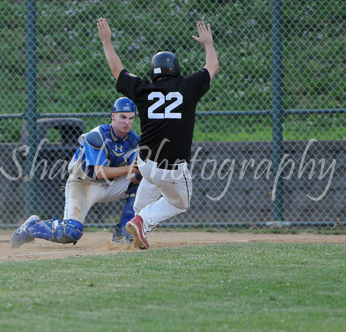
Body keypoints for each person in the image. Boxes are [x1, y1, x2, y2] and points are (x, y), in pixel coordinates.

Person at [97, 18, 220, 249]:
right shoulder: (188, 86)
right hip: (170, 167)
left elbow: (117, 70)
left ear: (154, 72)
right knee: (179, 203)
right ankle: (142, 221)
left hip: (145, 163)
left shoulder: (144, 89)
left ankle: (134, 219)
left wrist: (107, 42)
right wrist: (208, 44)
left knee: (153, 180)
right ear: (176, 69)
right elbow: (212, 66)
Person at [11, 97, 140, 247]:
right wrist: (127, 169)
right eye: (122, 117)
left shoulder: (134, 141)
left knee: (142, 182)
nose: (127, 122)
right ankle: (32, 227)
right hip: (83, 183)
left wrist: (138, 175)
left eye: (131, 118)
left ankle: (124, 232)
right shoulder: (97, 136)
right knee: (70, 233)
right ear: (113, 116)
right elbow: (99, 172)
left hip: (110, 184)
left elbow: (134, 174)